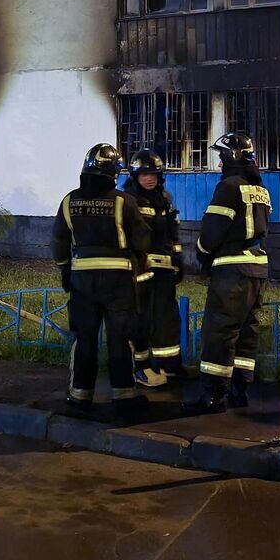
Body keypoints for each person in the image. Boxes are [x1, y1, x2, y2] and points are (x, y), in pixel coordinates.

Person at [52, 143, 151, 415]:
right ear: (113, 174)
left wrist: (65, 270)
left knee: (84, 338)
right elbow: (142, 239)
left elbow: (59, 240)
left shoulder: (69, 201)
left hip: (82, 280)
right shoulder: (123, 202)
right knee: (120, 338)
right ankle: (124, 396)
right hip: (118, 280)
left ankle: (79, 396)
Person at [185, 134, 271, 414]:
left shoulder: (228, 187)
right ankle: (239, 390)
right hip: (257, 268)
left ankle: (213, 395)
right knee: (247, 330)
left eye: (222, 156)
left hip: (232, 270)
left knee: (220, 331)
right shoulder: (261, 190)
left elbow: (212, 231)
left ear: (232, 157)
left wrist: (201, 253)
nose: (220, 161)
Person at [123, 148, 184, 388]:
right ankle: (141, 367)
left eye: (153, 174)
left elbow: (173, 233)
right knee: (141, 319)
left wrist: (178, 260)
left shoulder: (165, 200)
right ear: (135, 176)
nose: (149, 178)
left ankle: (170, 366)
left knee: (167, 318)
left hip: (164, 271)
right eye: (144, 174)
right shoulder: (128, 200)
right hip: (140, 271)